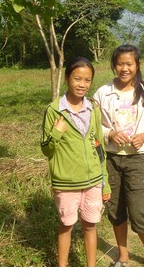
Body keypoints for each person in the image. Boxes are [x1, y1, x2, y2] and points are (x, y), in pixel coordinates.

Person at [93, 45, 144, 267]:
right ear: (114, 65)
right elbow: (94, 127)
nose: (124, 68)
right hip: (111, 159)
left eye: (129, 64)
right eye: (120, 64)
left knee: (138, 211)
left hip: (136, 159)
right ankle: (123, 257)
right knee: (115, 209)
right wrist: (110, 134)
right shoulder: (102, 93)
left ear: (138, 65)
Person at [41, 57, 111, 267]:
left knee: (90, 226)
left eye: (87, 80)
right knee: (66, 226)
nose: (82, 84)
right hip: (66, 182)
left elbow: (100, 148)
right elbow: (47, 149)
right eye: (77, 78)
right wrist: (56, 132)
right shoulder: (54, 110)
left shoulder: (93, 109)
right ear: (67, 79)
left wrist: (104, 181)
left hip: (93, 181)